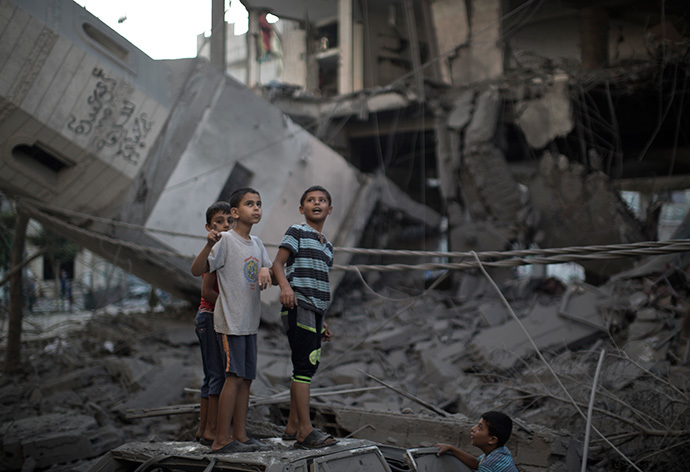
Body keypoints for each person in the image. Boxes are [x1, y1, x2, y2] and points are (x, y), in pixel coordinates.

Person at [191, 188, 272, 454]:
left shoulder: (257, 244)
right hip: (231, 322)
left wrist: (264, 270)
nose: (256, 208)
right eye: (250, 204)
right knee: (233, 377)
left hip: (250, 322)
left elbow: (267, 266)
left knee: (247, 379)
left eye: (259, 203)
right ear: (236, 212)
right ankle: (220, 439)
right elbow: (197, 271)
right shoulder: (225, 240)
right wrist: (208, 244)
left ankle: (240, 434)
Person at [271, 185, 337, 449]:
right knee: (304, 365)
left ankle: (293, 426)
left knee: (307, 365)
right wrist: (286, 288)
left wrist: (323, 321)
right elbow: (277, 264)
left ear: (329, 209)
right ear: (302, 209)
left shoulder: (328, 246)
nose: (316, 203)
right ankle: (305, 432)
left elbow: (317, 279)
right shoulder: (297, 231)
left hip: (314, 310)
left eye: (322, 200)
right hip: (299, 304)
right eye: (310, 200)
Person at [193, 201, 234, 446]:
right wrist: (230, 306)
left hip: (210, 317)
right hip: (209, 317)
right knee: (217, 375)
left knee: (211, 376)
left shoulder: (232, 248)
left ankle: (203, 430)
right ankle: (211, 430)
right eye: (219, 221)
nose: (226, 225)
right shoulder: (214, 250)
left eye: (229, 220)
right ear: (209, 226)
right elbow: (207, 290)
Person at [435, 411, 518, 471]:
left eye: (479, 428)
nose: (473, 428)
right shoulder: (501, 452)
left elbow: (482, 466)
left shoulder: (489, 465)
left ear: (492, 439)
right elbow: (476, 463)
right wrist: (451, 448)